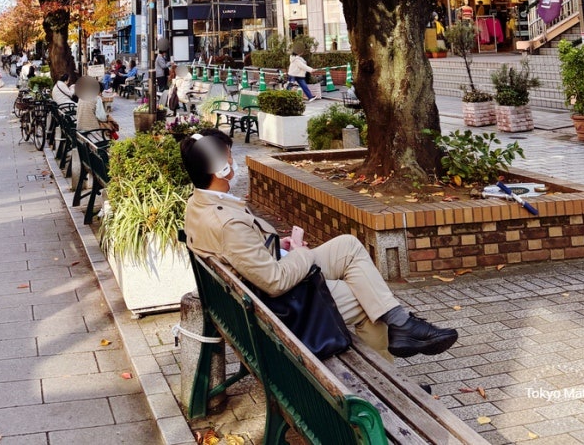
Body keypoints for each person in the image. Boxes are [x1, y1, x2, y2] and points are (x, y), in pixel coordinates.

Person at [181, 129, 458, 360]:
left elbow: (243, 254)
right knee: (366, 301)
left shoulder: (199, 204)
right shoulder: (227, 223)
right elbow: (273, 281)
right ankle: (394, 382)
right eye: (229, 154)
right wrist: (300, 253)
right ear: (221, 168)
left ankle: (401, 324)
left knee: (348, 246)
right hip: (276, 307)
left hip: (259, 285)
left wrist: (279, 245)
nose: (234, 158)